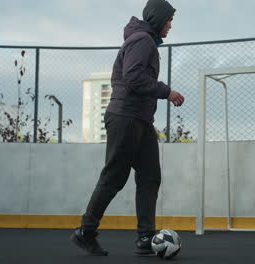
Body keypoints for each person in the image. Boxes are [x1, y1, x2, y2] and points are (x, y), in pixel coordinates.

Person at [70, 0, 184, 256]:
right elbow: (133, 77)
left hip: (140, 120)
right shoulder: (142, 40)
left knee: (150, 176)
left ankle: (146, 236)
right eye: (169, 20)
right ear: (158, 19)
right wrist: (166, 91)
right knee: (114, 176)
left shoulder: (144, 41)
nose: (170, 25)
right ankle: (85, 232)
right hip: (126, 117)